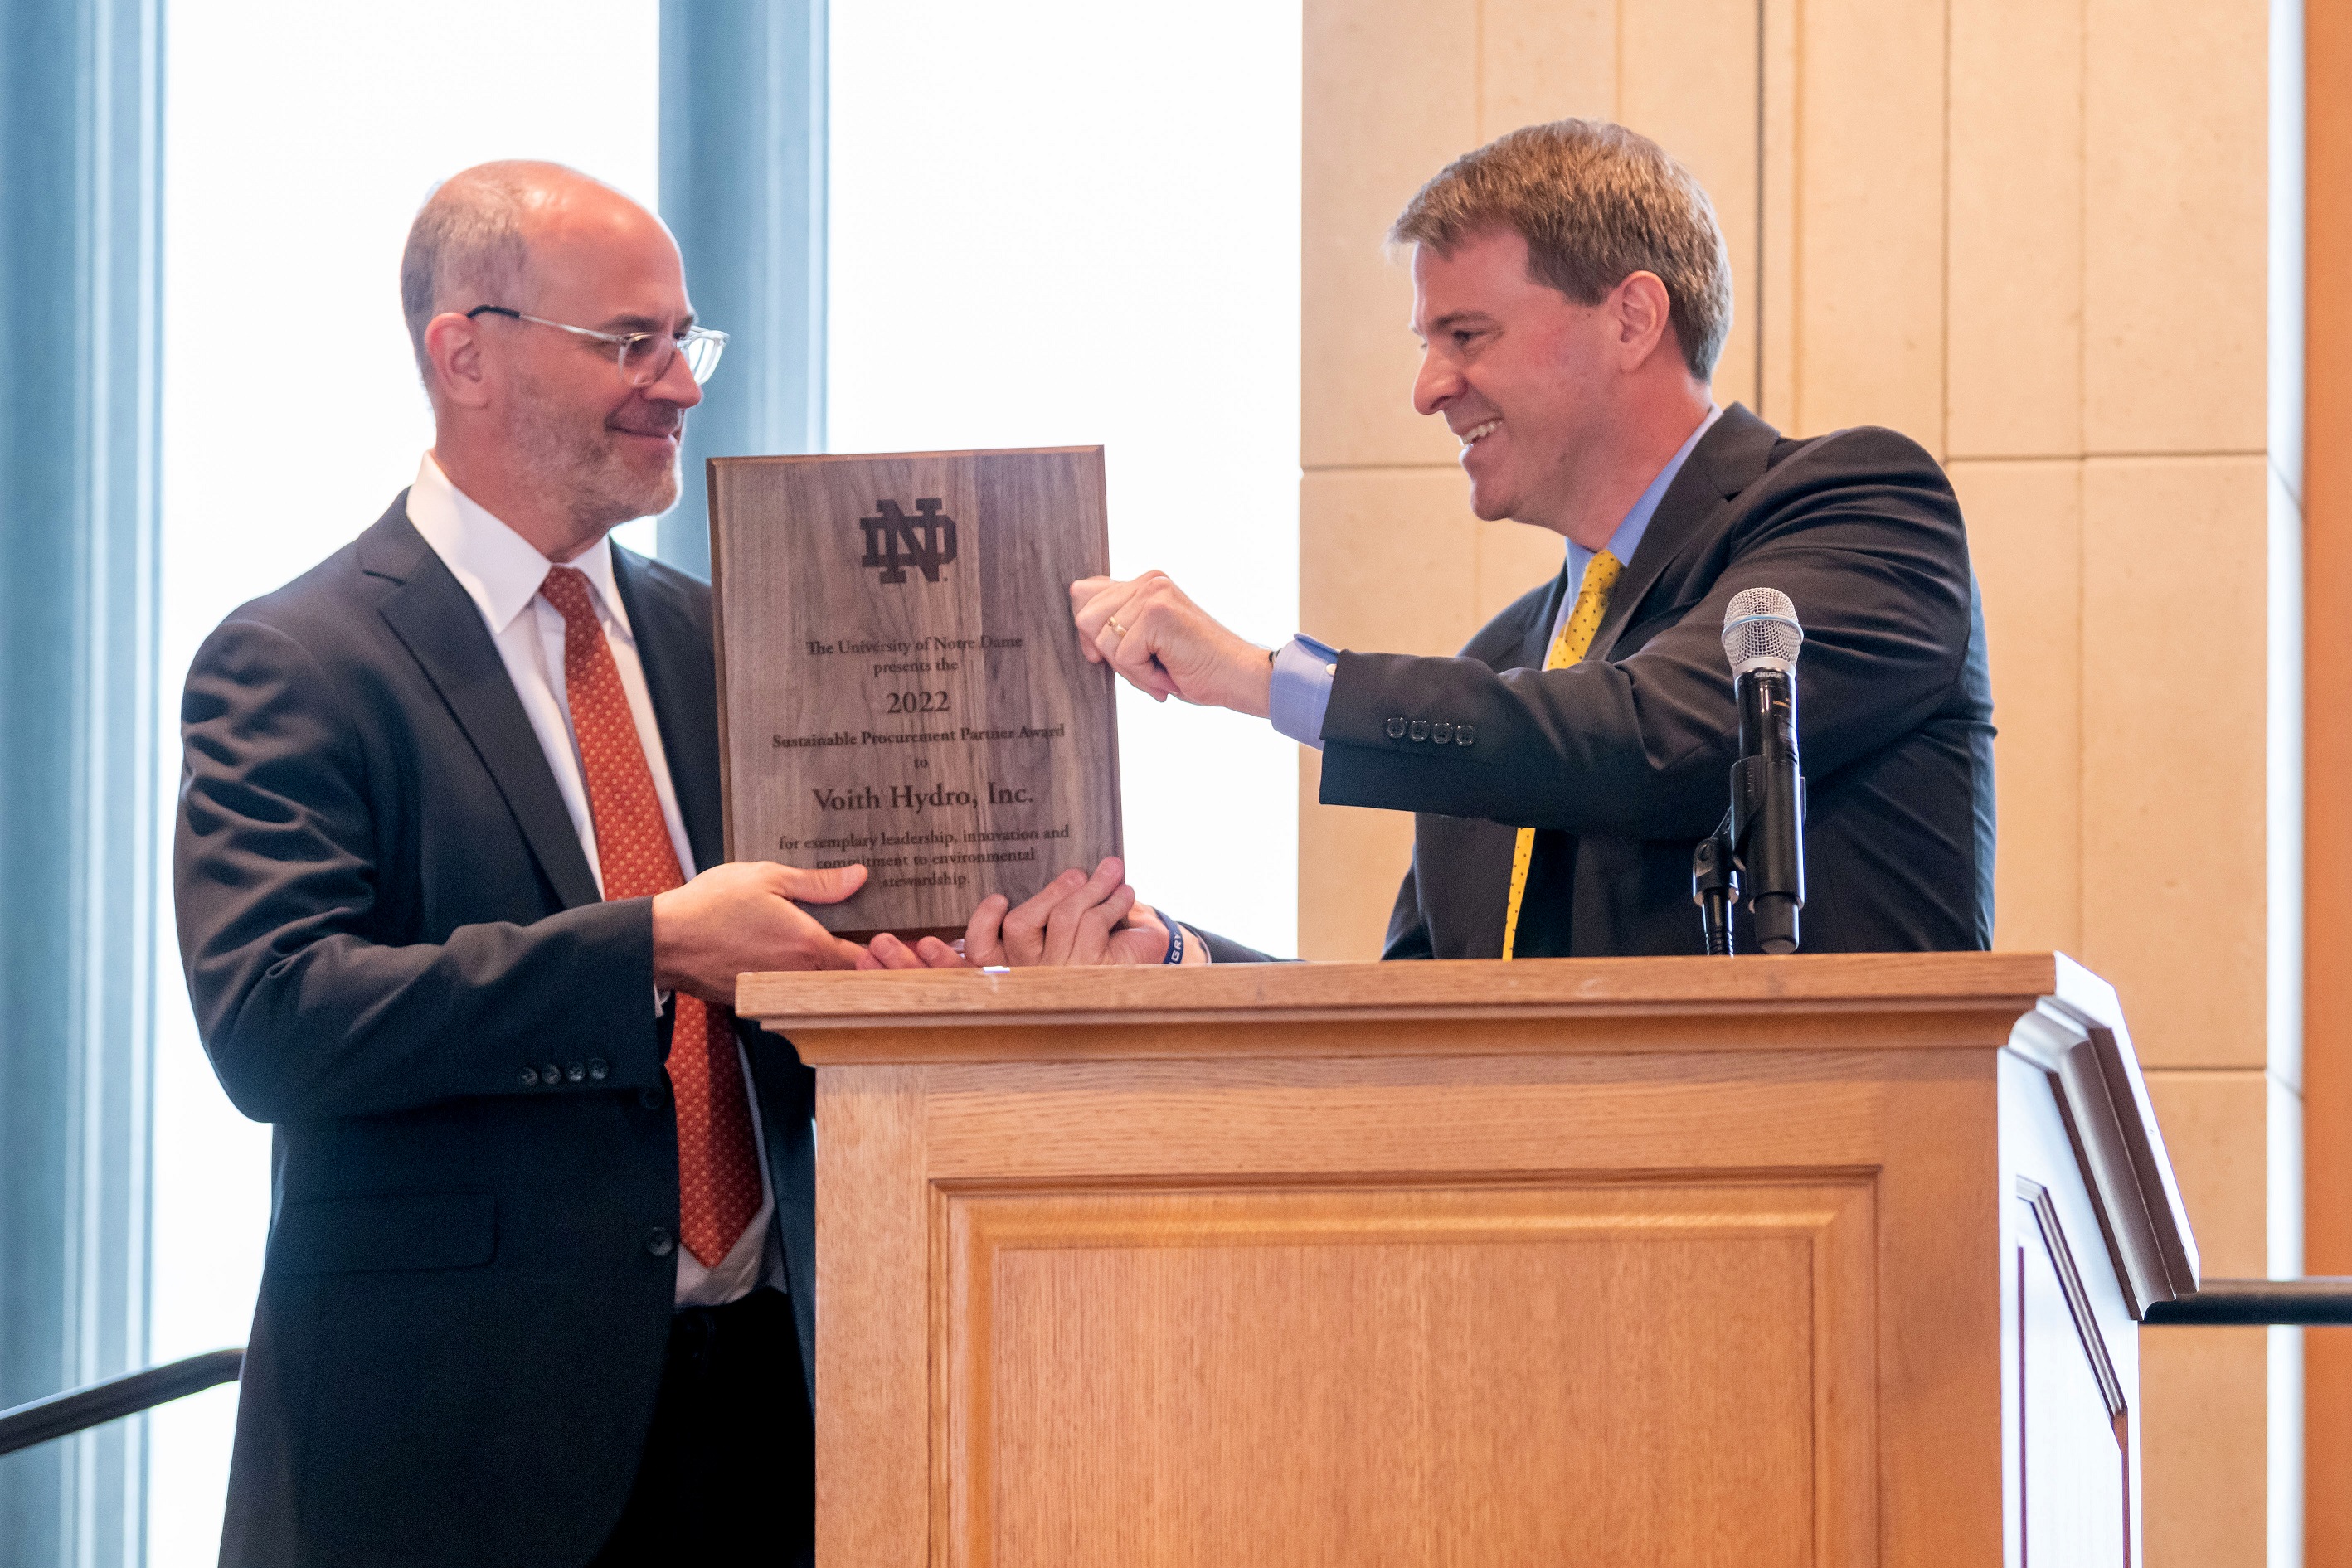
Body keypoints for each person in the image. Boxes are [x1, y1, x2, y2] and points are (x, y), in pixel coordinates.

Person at [177, 162, 870, 1567]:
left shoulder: (730, 641)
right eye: (632, 343)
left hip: (772, 1424)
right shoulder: (298, 661)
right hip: (458, 1465)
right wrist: (653, 946)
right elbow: (277, 1020)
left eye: (687, 341)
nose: (679, 384)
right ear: (465, 353)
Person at [1023, 119, 1995, 963]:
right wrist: (1172, 960)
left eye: (1467, 335)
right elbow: (1420, 1017)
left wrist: (1265, 677)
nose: (1428, 388)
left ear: (1632, 318)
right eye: (1426, 344)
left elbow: (1653, 741)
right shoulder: (1496, 666)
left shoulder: (1862, 506)